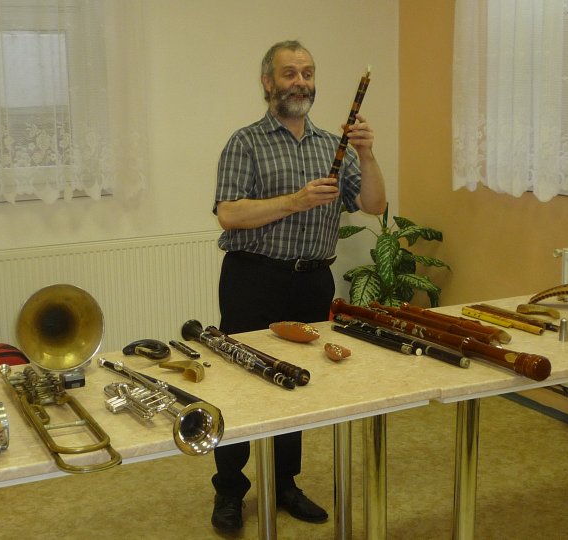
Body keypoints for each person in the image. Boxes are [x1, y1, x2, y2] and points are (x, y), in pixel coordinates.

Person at [210, 40, 387, 532]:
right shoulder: (245, 142)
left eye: (307, 73)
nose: (301, 82)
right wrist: (295, 201)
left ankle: (285, 483)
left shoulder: (333, 145)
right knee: (239, 382)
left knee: (296, 384)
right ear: (268, 82)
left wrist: (367, 154)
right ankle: (229, 489)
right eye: (289, 73)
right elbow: (228, 213)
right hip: (252, 278)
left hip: (311, 281)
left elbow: (374, 204)